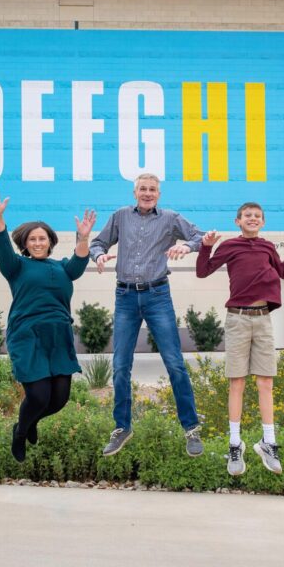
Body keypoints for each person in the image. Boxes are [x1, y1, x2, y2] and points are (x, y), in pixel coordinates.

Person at [89, 173, 206, 458]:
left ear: (159, 194)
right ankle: (122, 427)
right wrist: (99, 256)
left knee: (175, 364)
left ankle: (191, 429)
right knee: (120, 366)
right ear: (134, 192)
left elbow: (200, 237)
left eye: (152, 189)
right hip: (125, 297)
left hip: (157, 296)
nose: (147, 193)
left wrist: (186, 245)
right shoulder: (120, 217)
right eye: (143, 188)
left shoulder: (169, 218)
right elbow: (97, 243)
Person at [195, 202, 284, 475]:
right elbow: (202, 271)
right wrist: (206, 246)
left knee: (265, 381)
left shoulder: (268, 247)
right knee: (237, 382)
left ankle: (268, 442)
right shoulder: (229, 246)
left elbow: (283, 272)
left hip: (263, 320)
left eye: (257, 216)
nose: (253, 218)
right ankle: (235, 444)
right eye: (247, 216)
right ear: (238, 221)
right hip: (237, 319)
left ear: (263, 222)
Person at [0, 186, 95, 463]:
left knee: (58, 399)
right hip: (27, 335)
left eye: (42, 238)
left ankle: (30, 422)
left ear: (50, 242)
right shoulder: (16, 267)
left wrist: (83, 237)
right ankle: (21, 431)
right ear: (25, 243)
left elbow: (80, 262)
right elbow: (1, 244)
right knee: (38, 396)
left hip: (58, 336)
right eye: (32, 239)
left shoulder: (62, 268)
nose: (37, 242)